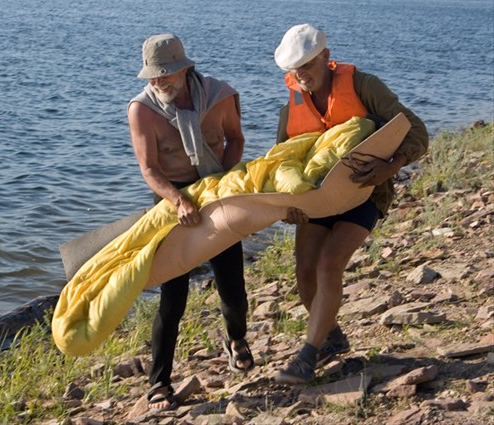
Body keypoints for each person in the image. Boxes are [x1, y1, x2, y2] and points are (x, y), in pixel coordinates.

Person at [272, 24, 429, 384]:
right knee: (304, 271)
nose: (302, 75)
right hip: (317, 202)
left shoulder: (364, 86)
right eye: (294, 70)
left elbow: (417, 131)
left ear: (326, 58)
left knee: (329, 265)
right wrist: (286, 206)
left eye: (307, 65)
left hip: (365, 194)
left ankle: (307, 357)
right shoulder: (291, 107)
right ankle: (331, 337)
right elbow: (283, 162)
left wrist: (390, 166)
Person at [127, 33, 254, 410]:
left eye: (164, 74)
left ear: (184, 70)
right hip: (170, 200)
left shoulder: (220, 96)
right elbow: (149, 169)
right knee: (172, 296)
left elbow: (235, 139)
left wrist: (225, 180)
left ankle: (237, 340)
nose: (157, 82)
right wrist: (178, 198)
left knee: (232, 285)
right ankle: (159, 382)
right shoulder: (142, 109)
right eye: (151, 76)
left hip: (217, 190)